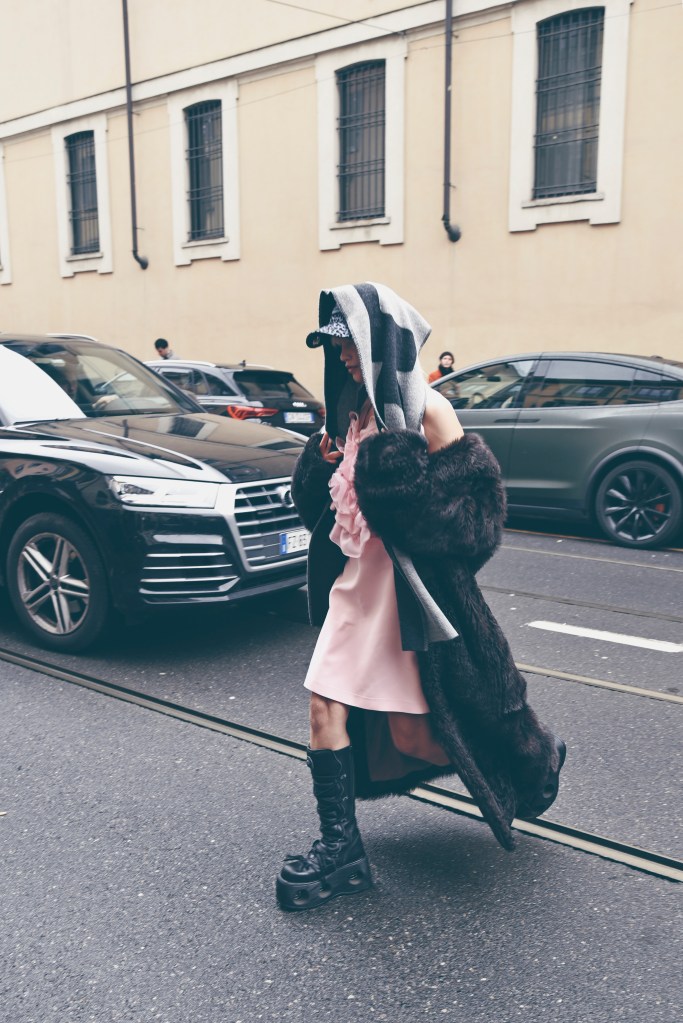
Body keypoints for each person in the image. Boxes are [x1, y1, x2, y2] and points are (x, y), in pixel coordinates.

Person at [275, 283, 566, 913]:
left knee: (427, 729)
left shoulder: (429, 411)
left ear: (381, 344)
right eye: (336, 347)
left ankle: (536, 761)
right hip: (355, 589)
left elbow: (476, 528)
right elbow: (321, 512)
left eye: (350, 344)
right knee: (325, 706)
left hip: (411, 598)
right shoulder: (350, 410)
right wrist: (321, 463)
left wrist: (394, 473)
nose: (342, 357)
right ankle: (343, 855)